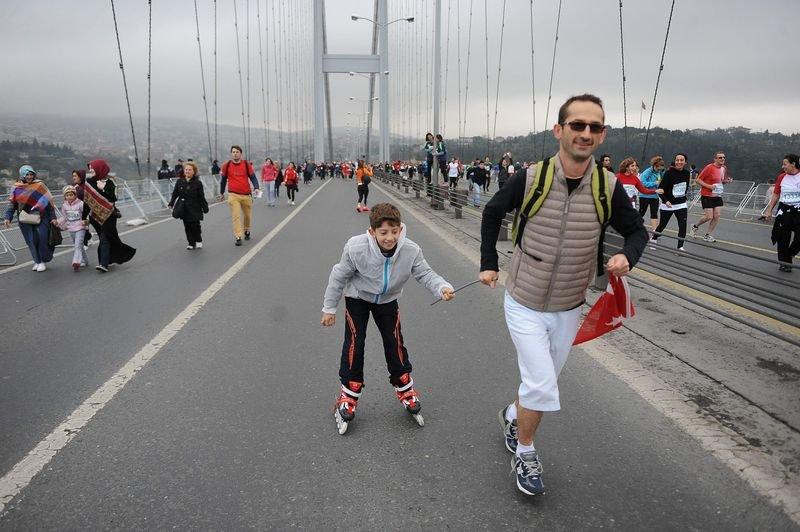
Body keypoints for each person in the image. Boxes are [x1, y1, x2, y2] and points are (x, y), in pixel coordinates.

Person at [479, 94, 648, 496]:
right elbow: (491, 212)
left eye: (594, 127)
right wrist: (489, 261)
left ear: (603, 135)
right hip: (523, 299)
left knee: (542, 382)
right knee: (540, 383)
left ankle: (510, 415)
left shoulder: (608, 187)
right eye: (577, 125)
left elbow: (638, 231)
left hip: (570, 305)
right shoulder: (532, 177)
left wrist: (628, 255)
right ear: (559, 130)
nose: (585, 133)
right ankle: (526, 450)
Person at [321, 202, 455, 434]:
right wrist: (329, 308)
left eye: (395, 231)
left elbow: (424, 273)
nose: (390, 238)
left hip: (387, 300)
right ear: (372, 232)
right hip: (358, 298)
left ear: (401, 229)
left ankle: (404, 385)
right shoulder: (356, 248)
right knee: (355, 342)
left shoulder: (410, 250)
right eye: (383, 233)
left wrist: (441, 287)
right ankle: (349, 392)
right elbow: (339, 276)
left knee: (394, 342)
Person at [83, 159, 136, 272]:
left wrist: (103, 188)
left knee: (104, 238)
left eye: (93, 168)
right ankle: (111, 258)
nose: (90, 170)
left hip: (109, 216)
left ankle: (104, 264)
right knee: (109, 238)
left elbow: (113, 198)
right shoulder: (89, 182)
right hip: (95, 218)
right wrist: (83, 217)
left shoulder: (110, 183)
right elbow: (87, 201)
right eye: (90, 168)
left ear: (100, 168)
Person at [3, 165, 55, 271]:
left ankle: (44, 259)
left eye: (31, 174)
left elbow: (49, 203)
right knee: (31, 240)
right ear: (22, 175)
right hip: (24, 218)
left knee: (42, 238)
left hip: (42, 216)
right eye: (27, 174)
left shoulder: (40, 185)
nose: (29, 177)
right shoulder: (16, 187)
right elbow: (12, 205)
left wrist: (53, 217)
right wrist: (7, 217)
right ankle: (38, 261)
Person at [217, 145, 259, 246]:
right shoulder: (226, 165)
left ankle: (247, 230)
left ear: (240, 154)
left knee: (247, 216)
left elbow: (253, 177)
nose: (235, 153)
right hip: (233, 194)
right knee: (236, 216)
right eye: (233, 152)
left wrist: (256, 187)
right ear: (231, 154)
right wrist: (222, 193)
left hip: (246, 195)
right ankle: (238, 236)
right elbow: (223, 181)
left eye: (237, 152)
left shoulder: (246, 164)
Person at [766, 154, 800, 271]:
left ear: (793, 164)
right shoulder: (781, 177)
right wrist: (769, 210)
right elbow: (776, 195)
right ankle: (784, 262)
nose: (783, 166)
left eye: (785, 164)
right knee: (782, 237)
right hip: (784, 209)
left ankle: (789, 254)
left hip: (798, 210)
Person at [690, 151, 733, 242]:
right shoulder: (709, 167)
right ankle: (695, 226)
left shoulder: (724, 168)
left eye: (724, 157)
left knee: (717, 215)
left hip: (717, 195)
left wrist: (727, 181)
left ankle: (707, 235)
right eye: (720, 157)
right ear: (715, 159)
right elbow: (698, 180)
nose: (722, 159)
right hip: (707, 195)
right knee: (709, 216)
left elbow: (721, 181)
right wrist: (709, 186)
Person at [652, 154, 690, 251]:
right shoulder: (668, 173)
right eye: (677, 160)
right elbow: (660, 189)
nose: (679, 162)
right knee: (662, 225)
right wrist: (666, 201)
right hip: (668, 204)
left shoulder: (687, 173)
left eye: (682, 160)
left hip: (681, 204)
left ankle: (680, 247)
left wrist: (682, 198)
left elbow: (685, 187)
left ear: (685, 162)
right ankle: (654, 238)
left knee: (683, 225)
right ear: (675, 161)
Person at [168, 161, 209, 250]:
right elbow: (175, 194)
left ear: (194, 171)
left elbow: (201, 196)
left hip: (195, 208)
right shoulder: (179, 182)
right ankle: (191, 242)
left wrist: (205, 207)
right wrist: (171, 203)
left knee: (195, 225)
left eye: (190, 170)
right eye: (186, 169)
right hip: (184, 208)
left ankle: (198, 240)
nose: (187, 171)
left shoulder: (198, 183)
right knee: (187, 226)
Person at [53, 185, 89, 270]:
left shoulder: (80, 204)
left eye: (71, 195)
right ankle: (85, 260)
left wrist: (86, 221)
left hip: (80, 228)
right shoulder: (64, 206)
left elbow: (86, 214)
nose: (69, 197)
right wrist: (57, 222)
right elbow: (64, 217)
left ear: (75, 195)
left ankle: (76, 262)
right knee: (79, 245)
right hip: (71, 229)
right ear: (65, 197)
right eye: (67, 195)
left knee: (77, 245)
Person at [638, 155, 666, 234]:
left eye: (660, 169)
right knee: (641, 213)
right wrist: (654, 183)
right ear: (654, 166)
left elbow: (660, 181)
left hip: (654, 196)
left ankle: (655, 231)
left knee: (654, 213)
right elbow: (642, 183)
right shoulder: (647, 172)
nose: (658, 170)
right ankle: (634, 226)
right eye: (657, 169)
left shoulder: (659, 172)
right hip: (644, 196)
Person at [72, 169, 92, 248]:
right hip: (76, 211)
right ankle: (89, 238)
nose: (73, 178)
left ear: (81, 177)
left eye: (75, 176)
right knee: (83, 227)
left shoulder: (85, 187)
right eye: (73, 176)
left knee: (83, 227)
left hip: (85, 211)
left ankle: (85, 244)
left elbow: (87, 200)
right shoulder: (75, 187)